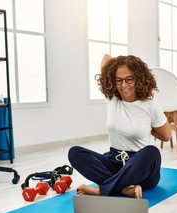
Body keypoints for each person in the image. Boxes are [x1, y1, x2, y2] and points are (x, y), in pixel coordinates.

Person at [68, 54, 171, 199]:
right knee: (75, 153)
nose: (124, 85)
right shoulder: (112, 99)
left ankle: (102, 190)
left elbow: (167, 136)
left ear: (139, 79)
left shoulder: (151, 106)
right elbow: (105, 58)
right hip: (115, 162)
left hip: (141, 168)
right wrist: (120, 63)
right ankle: (124, 189)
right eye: (119, 80)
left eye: (129, 79)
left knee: (152, 152)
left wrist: (147, 126)